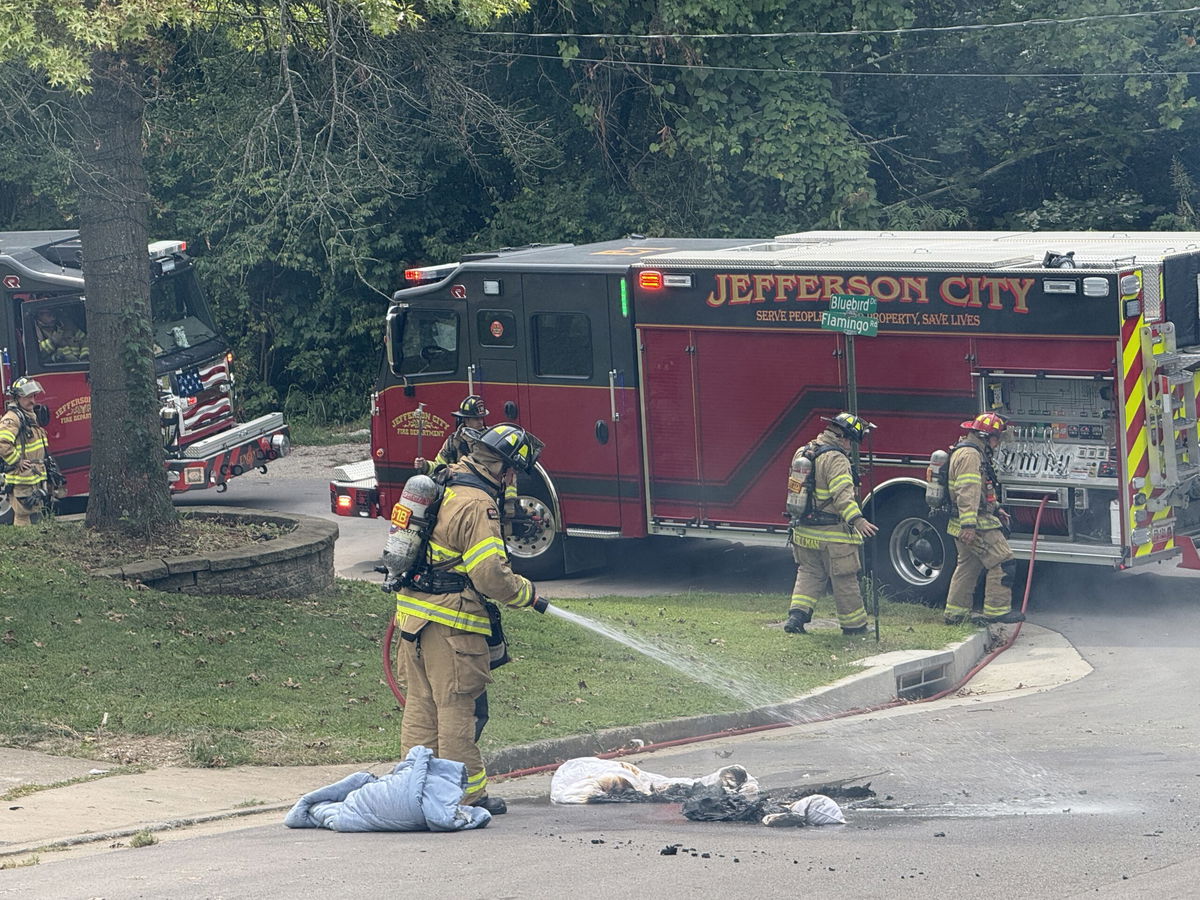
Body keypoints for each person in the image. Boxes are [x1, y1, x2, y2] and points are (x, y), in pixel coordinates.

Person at [393, 423, 547, 815]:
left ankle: (414, 790)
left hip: (412, 618)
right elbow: (490, 575)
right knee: (456, 708)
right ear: (504, 469)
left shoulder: (442, 481)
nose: (512, 481)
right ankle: (465, 795)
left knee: (421, 705)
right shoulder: (478, 504)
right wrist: (524, 593)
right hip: (451, 624)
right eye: (513, 473)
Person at [784, 412, 878, 636]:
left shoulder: (803, 451)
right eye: (851, 442)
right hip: (832, 535)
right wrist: (858, 520)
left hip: (803, 530)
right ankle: (855, 627)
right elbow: (842, 495)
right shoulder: (836, 459)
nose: (850, 447)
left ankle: (796, 617)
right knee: (845, 578)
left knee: (809, 573)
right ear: (843, 437)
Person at [943, 412, 1025, 626]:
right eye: (996, 439)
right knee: (1003, 561)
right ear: (986, 437)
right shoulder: (971, 456)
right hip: (976, 524)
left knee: (968, 567)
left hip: (963, 521)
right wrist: (969, 526)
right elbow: (967, 491)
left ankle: (955, 614)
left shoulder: (968, 451)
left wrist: (996, 508)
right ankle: (997, 611)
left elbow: (981, 490)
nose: (997, 444)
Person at [0, 377, 51, 526]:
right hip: (21, 477)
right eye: (28, 397)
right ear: (17, 398)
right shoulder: (12, 419)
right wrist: (17, 461)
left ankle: (32, 539)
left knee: (34, 513)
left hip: (32, 475)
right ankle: (24, 540)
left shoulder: (28, 415)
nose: (33, 401)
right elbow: (2, 443)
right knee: (22, 515)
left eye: (34, 396)